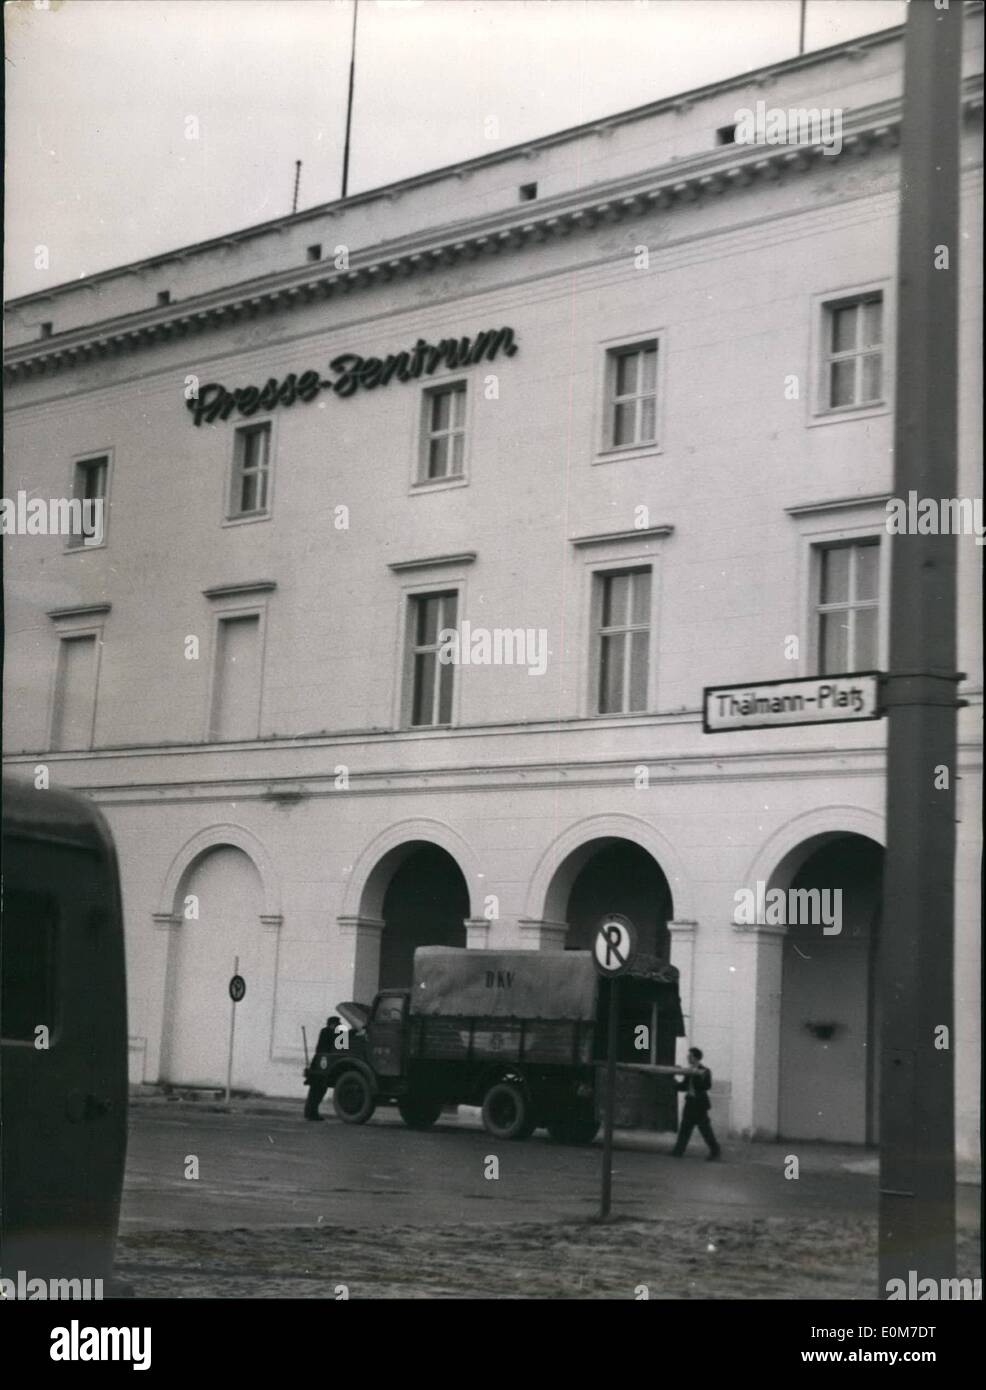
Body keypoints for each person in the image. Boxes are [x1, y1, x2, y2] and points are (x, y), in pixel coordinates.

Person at [671, 1047, 721, 1160]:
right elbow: (684, 1086)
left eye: (690, 1056)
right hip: (690, 1103)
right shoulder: (688, 1071)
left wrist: (697, 1076)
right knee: (684, 1128)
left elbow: (707, 1086)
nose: (688, 1057)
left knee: (705, 1130)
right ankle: (678, 1151)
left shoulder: (705, 1071)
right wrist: (673, 1081)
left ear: (696, 1058)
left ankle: (715, 1151)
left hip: (699, 1105)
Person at [303, 1015, 342, 1121]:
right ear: (332, 1024)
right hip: (321, 1064)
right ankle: (311, 1113)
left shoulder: (326, 1032)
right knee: (317, 1090)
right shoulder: (327, 1032)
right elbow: (337, 1042)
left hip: (320, 1064)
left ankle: (310, 1113)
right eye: (337, 1024)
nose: (339, 1026)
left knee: (317, 1090)